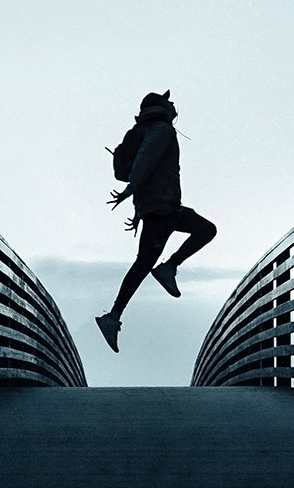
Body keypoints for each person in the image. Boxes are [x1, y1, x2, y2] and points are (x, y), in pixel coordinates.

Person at [97, 91, 216, 353]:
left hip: (158, 208)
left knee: (142, 264)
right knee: (206, 230)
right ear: (161, 106)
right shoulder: (162, 130)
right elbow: (146, 161)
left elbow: (145, 168)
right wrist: (131, 190)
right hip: (164, 209)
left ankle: (114, 315)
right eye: (169, 100)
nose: (174, 104)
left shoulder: (142, 130)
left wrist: (139, 207)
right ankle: (167, 269)